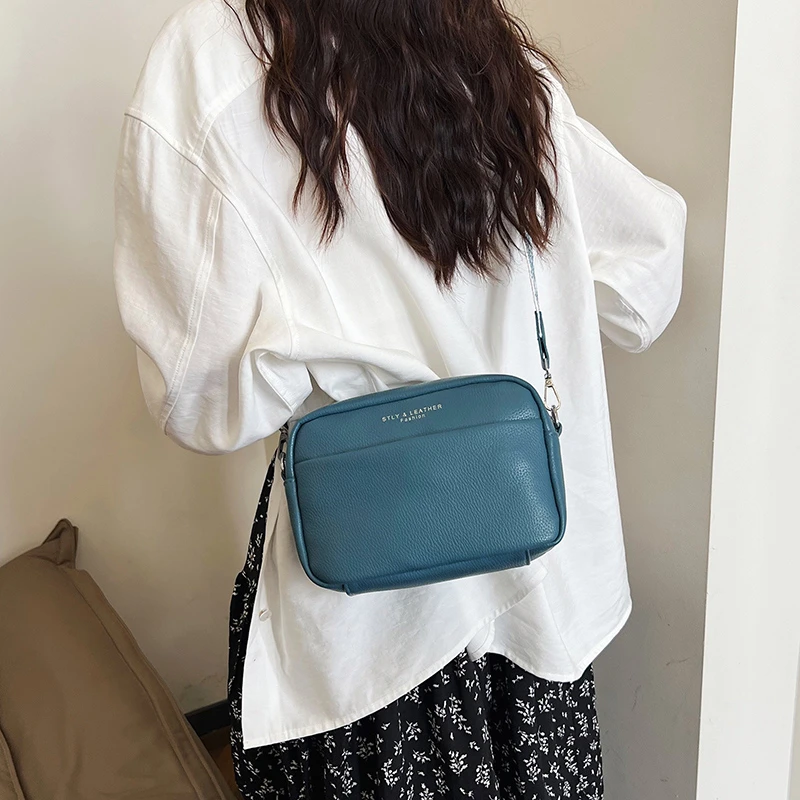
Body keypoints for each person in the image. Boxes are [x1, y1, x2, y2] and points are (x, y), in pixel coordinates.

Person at [112, 0, 687, 797]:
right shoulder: (486, 47)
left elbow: (200, 403)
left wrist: (318, 357)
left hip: (370, 634)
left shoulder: (213, 57)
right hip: (538, 595)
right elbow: (647, 276)